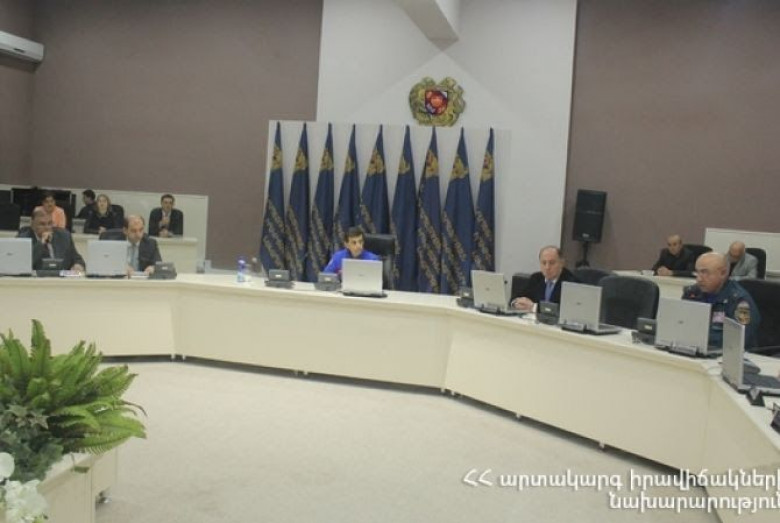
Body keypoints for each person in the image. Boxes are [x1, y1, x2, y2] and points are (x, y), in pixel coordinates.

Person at [682, 252, 760, 349]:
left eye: (705, 273)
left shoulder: (740, 301)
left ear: (723, 273)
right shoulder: (692, 293)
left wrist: (699, 338)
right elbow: (681, 324)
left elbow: (738, 340)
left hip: (727, 354)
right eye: (697, 272)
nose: (699, 279)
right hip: (694, 349)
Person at [510, 246, 577, 312]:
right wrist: (515, 303)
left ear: (562, 263)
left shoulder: (571, 283)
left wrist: (534, 307)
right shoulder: (536, 278)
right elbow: (515, 298)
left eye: (552, 263)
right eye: (544, 263)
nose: (547, 267)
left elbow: (566, 311)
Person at [17, 208, 85, 272]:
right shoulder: (23, 239)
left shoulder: (64, 236)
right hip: (36, 278)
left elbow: (77, 259)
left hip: (61, 276)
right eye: (42, 224)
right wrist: (41, 244)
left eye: (49, 223)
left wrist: (78, 265)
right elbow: (23, 265)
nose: (47, 227)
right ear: (32, 224)